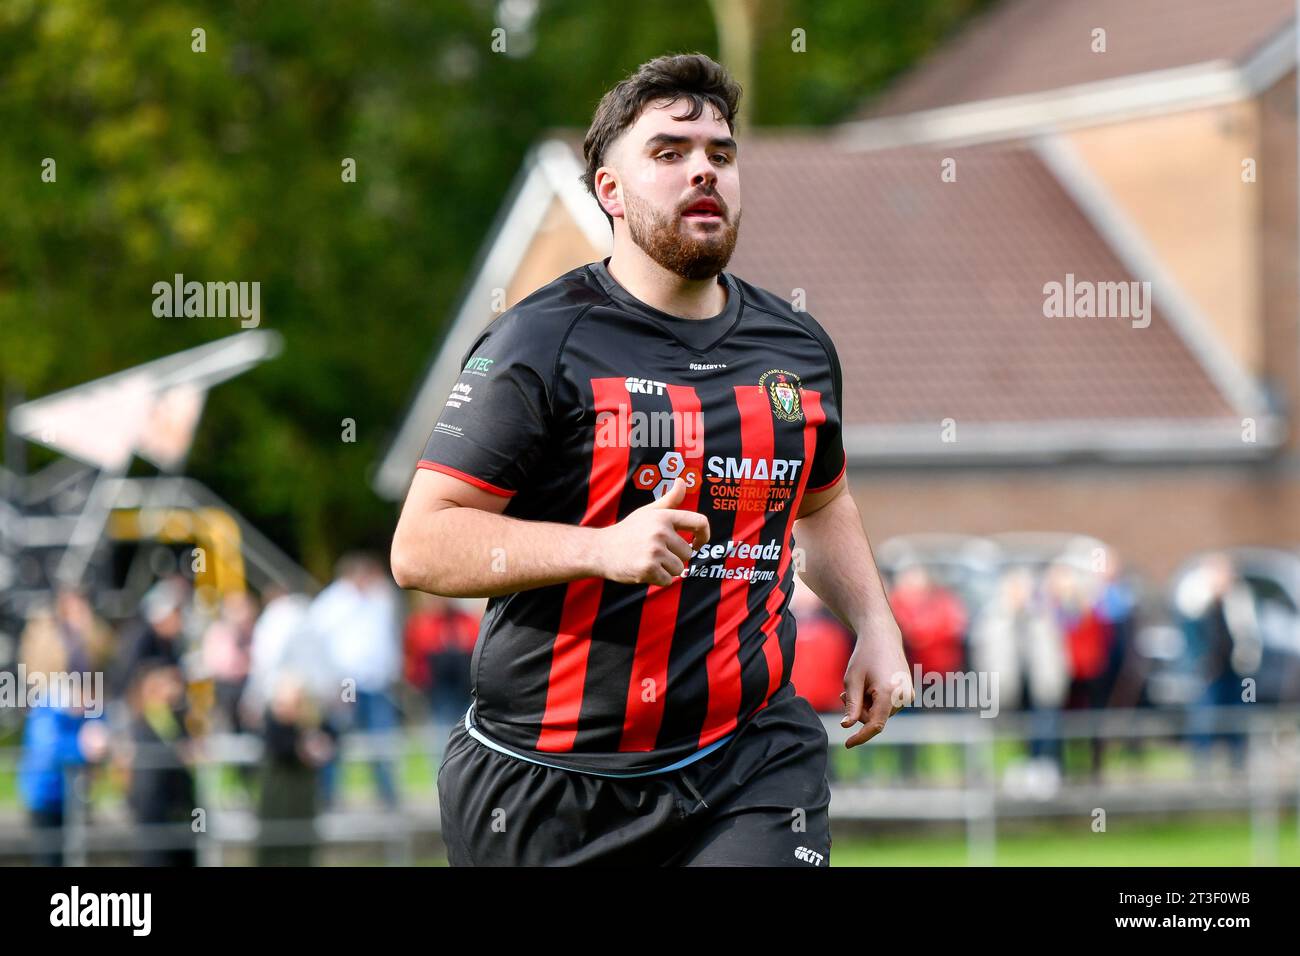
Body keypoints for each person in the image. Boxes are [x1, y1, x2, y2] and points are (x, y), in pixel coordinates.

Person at [392, 53, 911, 866]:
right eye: (669, 153)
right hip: (546, 781)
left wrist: (876, 624)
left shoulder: (797, 348)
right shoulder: (538, 343)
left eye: (720, 153)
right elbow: (420, 545)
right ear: (610, 192)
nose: (702, 169)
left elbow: (820, 503)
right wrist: (603, 549)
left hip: (748, 757)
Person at [308, 553, 403, 810]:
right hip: (345, 685)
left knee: (381, 740)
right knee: (334, 742)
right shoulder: (332, 602)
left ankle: (388, 796)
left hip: (376, 683)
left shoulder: (379, 599)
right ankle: (328, 797)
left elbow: (387, 640)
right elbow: (316, 644)